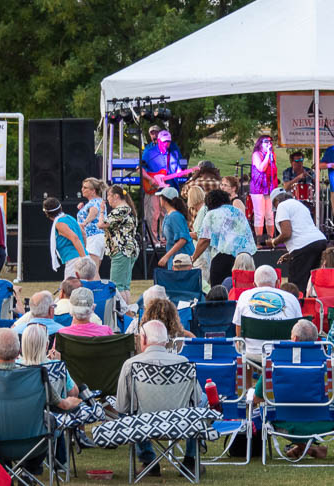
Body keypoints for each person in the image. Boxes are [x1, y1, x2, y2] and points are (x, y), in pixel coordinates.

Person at [254, 319, 334, 459]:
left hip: (281, 421)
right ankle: (308, 448)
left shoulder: (274, 363)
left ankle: (305, 448)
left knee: (260, 410)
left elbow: (257, 398)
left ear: (295, 339)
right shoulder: (327, 364)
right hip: (323, 423)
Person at [115, 320, 205, 477]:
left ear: (143, 339)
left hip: (143, 426)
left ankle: (149, 460)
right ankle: (190, 460)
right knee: (201, 401)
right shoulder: (184, 363)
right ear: (166, 341)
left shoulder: (130, 365)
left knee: (127, 408)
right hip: (180, 424)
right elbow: (197, 400)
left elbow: (122, 407)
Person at [232, 264, 303, 359]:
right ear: (278, 283)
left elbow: (239, 331)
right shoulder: (292, 298)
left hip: (251, 353)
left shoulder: (244, 296)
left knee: (239, 343)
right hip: (283, 352)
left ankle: (246, 374)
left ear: (254, 285)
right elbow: (299, 328)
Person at [192, 189, 256, 287]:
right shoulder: (237, 211)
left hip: (223, 257)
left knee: (219, 290)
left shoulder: (212, 214)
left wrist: (193, 258)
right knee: (242, 288)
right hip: (245, 257)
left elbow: (204, 240)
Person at [269, 189, 327, 291]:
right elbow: (303, 231)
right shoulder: (299, 205)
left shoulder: (282, 206)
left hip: (303, 247)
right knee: (312, 283)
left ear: (277, 201)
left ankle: (297, 305)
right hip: (319, 241)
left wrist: (274, 242)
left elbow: (287, 233)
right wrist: (292, 253)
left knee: (296, 287)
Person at [142, 127, 184, 244]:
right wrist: (150, 179)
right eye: (164, 141)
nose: (167, 144)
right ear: (159, 141)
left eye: (168, 141)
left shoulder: (173, 154)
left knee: (166, 214)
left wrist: (181, 172)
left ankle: (165, 239)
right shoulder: (149, 152)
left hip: (168, 189)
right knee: (153, 215)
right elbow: (140, 168)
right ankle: (153, 241)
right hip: (154, 188)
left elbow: (177, 169)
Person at [98, 185, 139, 303]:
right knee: (124, 285)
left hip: (121, 250)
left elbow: (101, 224)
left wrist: (101, 211)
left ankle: (122, 313)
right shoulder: (129, 209)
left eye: (109, 196)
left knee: (117, 285)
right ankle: (127, 312)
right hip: (128, 249)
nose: (108, 200)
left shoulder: (120, 210)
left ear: (116, 196)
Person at [42, 197, 88, 279]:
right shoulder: (69, 218)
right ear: (61, 208)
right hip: (82, 256)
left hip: (74, 260)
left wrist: (83, 259)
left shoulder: (59, 224)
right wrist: (84, 253)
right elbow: (83, 234)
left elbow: (75, 238)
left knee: (70, 289)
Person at [156, 187, 194, 268]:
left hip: (182, 258)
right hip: (174, 257)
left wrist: (166, 256)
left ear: (165, 200)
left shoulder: (175, 216)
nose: (159, 199)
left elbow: (183, 239)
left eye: (160, 197)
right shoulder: (168, 215)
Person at [250, 135, 278, 245]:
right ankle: (259, 241)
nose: (269, 144)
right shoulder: (256, 154)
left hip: (269, 187)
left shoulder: (272, 155)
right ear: (260, 143)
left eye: (270, 142)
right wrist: (267, 156)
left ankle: (270, 240)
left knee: (270, 215)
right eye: (266, 142)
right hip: (258, 187)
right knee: (259, 215)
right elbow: (261, 168)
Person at [76, 177, 107, 272]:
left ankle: (92, 286)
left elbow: (94, 212)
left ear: (93, 191)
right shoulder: (98, 201)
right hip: (99, 237)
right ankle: (95, 286)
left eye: (85, 188)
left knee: (91, 270)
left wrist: (84, 223)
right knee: (94, 270)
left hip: (93, 237)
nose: (82, 189)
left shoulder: (93, 203)